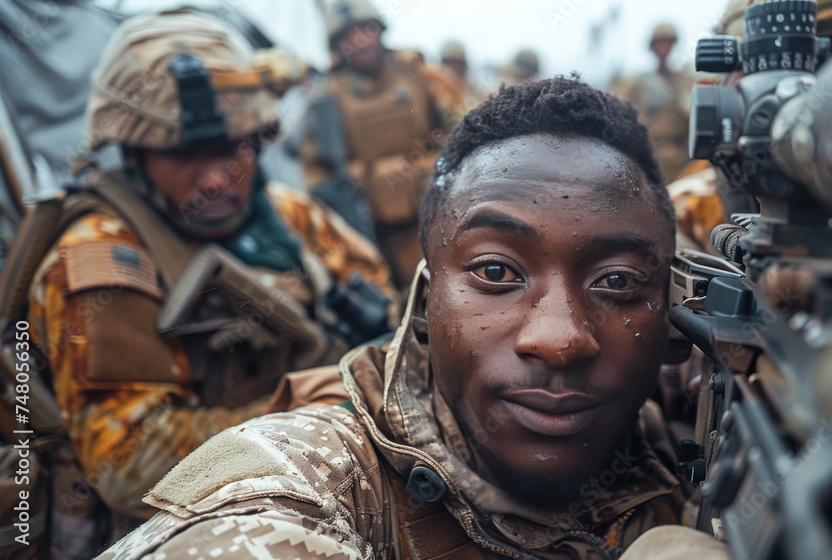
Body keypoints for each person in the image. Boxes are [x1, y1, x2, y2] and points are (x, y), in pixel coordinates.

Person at [96, 77, 729, 559]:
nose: (559, 339)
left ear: (673, 313)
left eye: (616, 282)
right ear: (425, 305)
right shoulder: (317, 473)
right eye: (497, 273)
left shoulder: (694, 428)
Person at [9, 10, 394, 558]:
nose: (215, 178)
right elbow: (129, 463)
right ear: (135, 151)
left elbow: (389, 305)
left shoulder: (287, 216)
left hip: (320, 493)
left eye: (232, 147)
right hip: (180, 529)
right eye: (185, 153)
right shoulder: (98, 260)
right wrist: (325, 409)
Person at [296, 0, 456, 289]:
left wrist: (435, 166)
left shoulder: (417, 73)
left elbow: (459, 126)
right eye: (347, 35)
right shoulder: (325, 98)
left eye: (364, 30)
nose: (358, 40)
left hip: (438, 211)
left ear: (380, 31)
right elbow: (315, 170)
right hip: (373, 228)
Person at [618, 24, 693, 185]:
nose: (664, 48)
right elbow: (626, 119)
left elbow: (692, 117)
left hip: (681, 154)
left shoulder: (683, 81)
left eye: (668, 43)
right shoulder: (639, 84)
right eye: (660, 44)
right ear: (652, 48)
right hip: (650, 153)